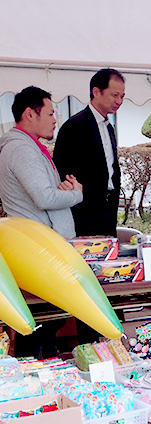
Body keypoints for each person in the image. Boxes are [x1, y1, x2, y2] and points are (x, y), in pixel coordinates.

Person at [0, 86, 83, 358]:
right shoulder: (21, 150)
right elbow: (43, 197)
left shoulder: (28, 147)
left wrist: (60, 191)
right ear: (29, 114)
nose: (54, 119)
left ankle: (44, 378)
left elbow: (42, 193)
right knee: (39, 325)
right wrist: (74, 193)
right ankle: (37, 386)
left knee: (46, 325)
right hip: (39, 249)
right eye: (49, 113)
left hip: (41, 246)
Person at [54, 68, 125, 237]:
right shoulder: (75, 126)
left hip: (108, 208)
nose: (119, 101)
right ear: (96, 92)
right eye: (114, 95)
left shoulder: (108, 126)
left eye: (122, 96)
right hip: (84, 211)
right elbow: (62, 169)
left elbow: (111, 168)